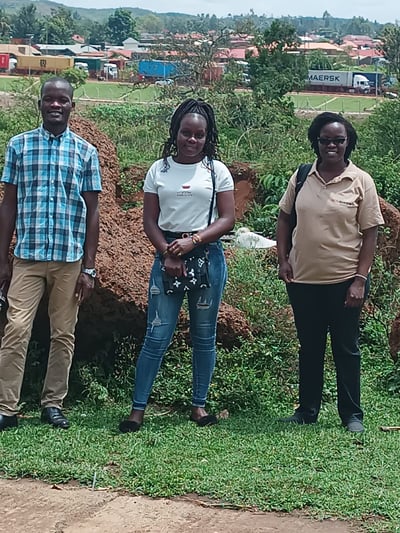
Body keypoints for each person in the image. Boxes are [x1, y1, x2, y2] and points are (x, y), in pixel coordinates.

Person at [119, 98, 235, 433]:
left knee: (203, 335)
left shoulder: (217, 171)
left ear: (207, 136)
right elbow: (149, 220)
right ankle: (137, 410)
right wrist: (168, 253)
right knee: (157, 334)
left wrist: (192, 242)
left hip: (207, 257)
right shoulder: (160, 170)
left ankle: (198, 406)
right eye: (186, 132)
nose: (192, 140)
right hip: (166, 255)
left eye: (199, 134)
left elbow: (227, 218)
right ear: (176, 132)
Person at [0, 77, 102, 432]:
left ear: (72, 106)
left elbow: (93, 213)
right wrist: (3, 258)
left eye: (62, 100)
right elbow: (8, 205)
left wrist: (89, 268)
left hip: (69, 259)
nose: (55, 105)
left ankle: (53, 403)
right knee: (15, 328)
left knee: (63, 333)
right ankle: (6, 407)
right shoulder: (19, 146)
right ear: (40, 104)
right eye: (49, 99)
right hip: (26, 256)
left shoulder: (86, 153)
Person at [276, 112, 384, 433]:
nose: (332, 146)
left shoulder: (361, 181)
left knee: (346, 349)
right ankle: (307, 410)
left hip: (344, 284)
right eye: (326, 140)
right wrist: (283, 259)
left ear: (348, 142)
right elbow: (284, 218)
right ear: (316, 142)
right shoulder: (301, 176)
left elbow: (370, 234)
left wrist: (359, 280)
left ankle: (352, 415)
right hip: (303, 281)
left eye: (339, 140)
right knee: (309, 348)